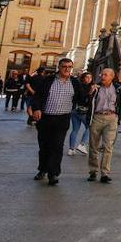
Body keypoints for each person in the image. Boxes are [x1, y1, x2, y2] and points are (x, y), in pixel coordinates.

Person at [27, 57, 86, 186]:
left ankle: (53, 174)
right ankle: (42, 169)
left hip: (63, 118)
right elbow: (37, 96)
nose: (67, 69)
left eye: (69, 67)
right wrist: (36, 109)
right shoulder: (48, 80)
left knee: (58, 146)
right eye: (64, 66)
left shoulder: (75, 82)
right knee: (44, 146)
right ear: (59, 67)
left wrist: (90, 91)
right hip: (46, 118)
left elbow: (82, 98)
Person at [86, 68, 121, 183]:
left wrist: (119, 116)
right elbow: (86, 101)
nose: (102, 76)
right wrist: (90, 93)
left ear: (111, 77)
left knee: (108, 146)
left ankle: (104, 172)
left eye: (105, 75)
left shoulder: (118, 88)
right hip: (97, 117)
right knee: (93, 145)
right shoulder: (96, 88)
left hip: (111, 117)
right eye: (102, 74)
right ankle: (93, 171)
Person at [67, 70, 94, 157]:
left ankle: (71, 149)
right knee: (90, 127)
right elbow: (84, 100)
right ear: (83, 78)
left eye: (90, 77)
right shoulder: (84, 87)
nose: (89, 79)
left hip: (75, 110)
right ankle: (82, 144)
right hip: (83, 111)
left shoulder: (77, 85)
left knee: (75, 129)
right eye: (87, 77)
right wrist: (90, 93)